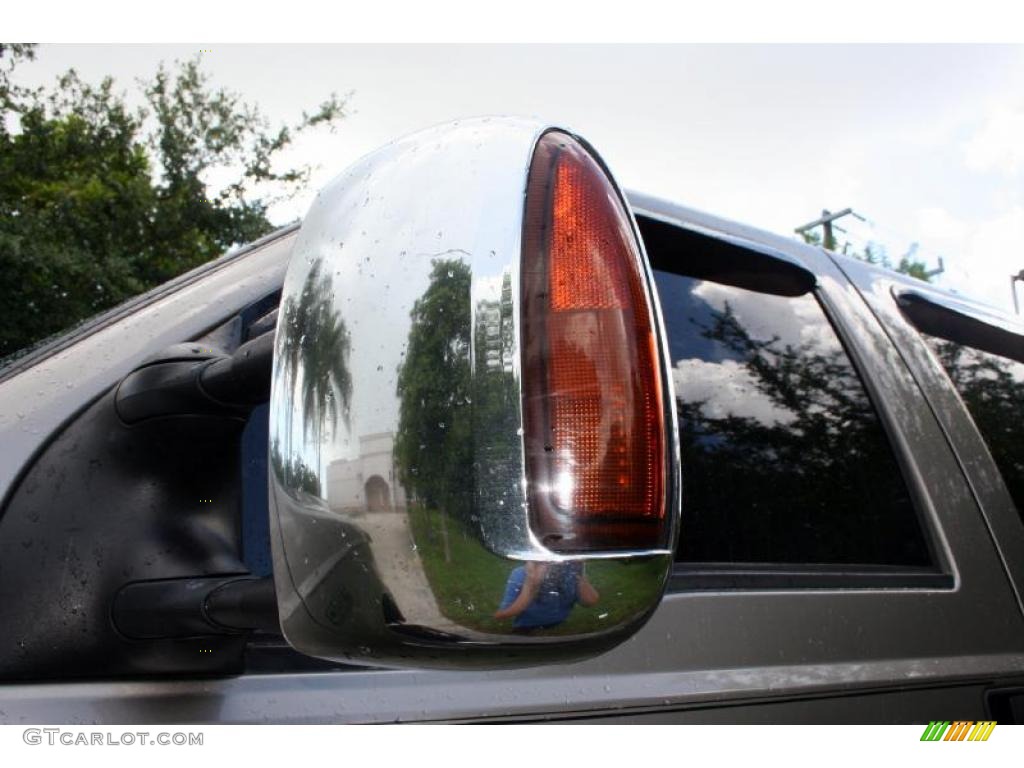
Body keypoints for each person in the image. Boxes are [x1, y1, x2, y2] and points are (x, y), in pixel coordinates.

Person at [493, 560, 599, 631]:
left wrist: (580, 574)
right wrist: (530, 585)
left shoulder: (570, 573)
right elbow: (501, 615)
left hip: (561, 628)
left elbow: (590, 601)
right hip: (526, 630)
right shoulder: (520, 574)